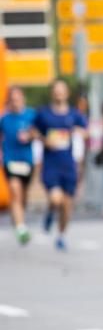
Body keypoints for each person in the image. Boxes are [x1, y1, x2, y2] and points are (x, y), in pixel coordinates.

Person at [34, 79, 88, 251]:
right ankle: (50, 212)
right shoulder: (44, 114)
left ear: (66, 93)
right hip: (51, 164)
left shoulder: (74, 114)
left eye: (61, 90)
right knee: (56, 199)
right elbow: (33, 131)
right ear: (52, 93)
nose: (59, 93)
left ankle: (61, 235)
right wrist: (44, 140)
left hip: (68, 164)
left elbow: (86, 132)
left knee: (66, 204)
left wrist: (80, 132)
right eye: (56, 90)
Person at [0, 86, 37, 245]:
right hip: (10, 160)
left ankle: (18, 218)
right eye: (12, 99)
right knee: (15, 191)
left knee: (24, 197)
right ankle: (21, 228)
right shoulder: (4, 118)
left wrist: (30, 135)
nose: (15, 102)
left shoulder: (31, 115)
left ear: (23, 99)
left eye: (18, 98)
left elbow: (39, 133)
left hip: (27, 160)